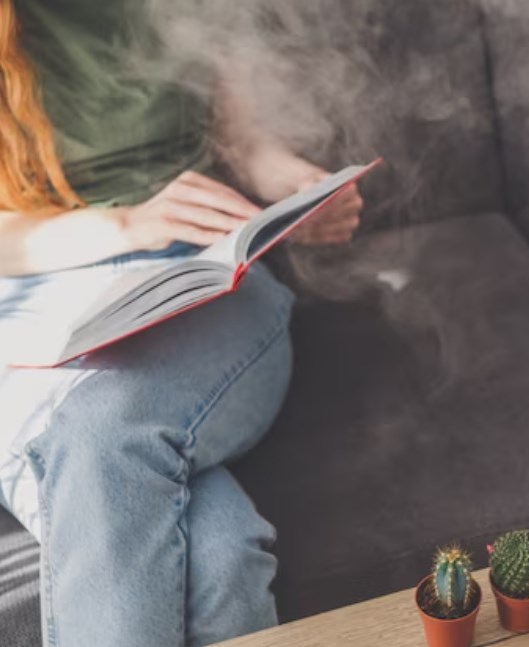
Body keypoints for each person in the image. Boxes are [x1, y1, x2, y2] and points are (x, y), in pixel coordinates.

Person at [0, 1, 363, 645]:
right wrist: (122, 224)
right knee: (220, 561)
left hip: (194, 275)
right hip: (36, 298)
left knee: (99, 433)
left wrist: (299, 190)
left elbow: (248, 146)